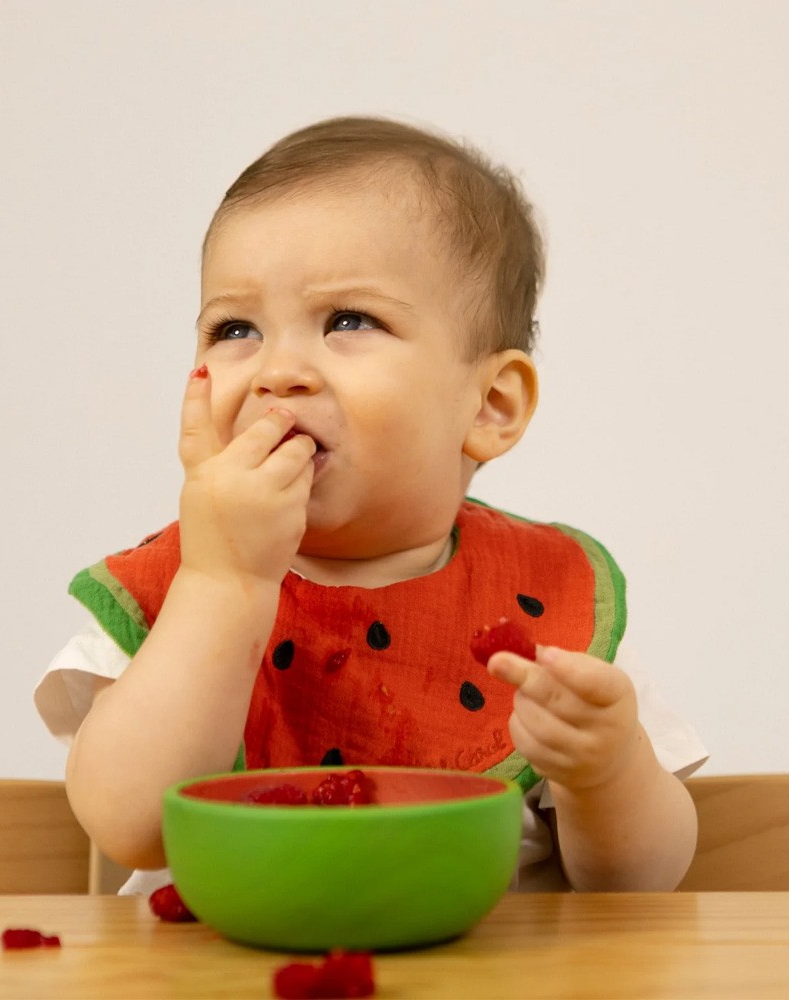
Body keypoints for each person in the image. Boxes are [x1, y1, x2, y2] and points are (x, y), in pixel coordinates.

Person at [35, 115, 707, 895]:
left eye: (348, 320)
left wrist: (607, 770)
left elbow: (640, 887)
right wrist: (224, 584)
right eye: (236, 328)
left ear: (490, 403)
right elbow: (130, 824)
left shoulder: (550, 601)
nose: (278, 371)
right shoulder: (176, 587)